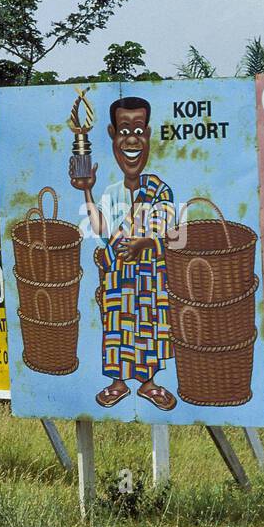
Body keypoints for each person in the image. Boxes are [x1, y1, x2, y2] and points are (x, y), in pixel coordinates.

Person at [69, 96, 177, 411]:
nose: (132, 139)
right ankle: (118, 382)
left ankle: (149, 383)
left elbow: (167, 233)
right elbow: (102, 228)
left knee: (149, 325)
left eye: (139, 130)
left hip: (148, 277)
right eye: (124, 130)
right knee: (116, 324)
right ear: (113, 135)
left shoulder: (159, 189)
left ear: (148, 134)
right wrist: (87, 190)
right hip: (118, 276)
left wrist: (145, 243)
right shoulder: (112, 191)